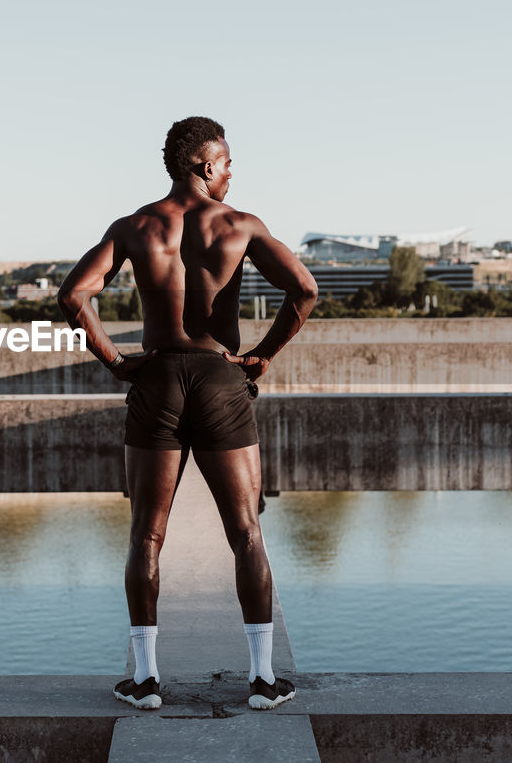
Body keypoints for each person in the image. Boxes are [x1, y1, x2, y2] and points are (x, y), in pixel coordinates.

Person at [56, 116, 318, 711]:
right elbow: (304, 290)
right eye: (226, 162)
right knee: (246, 532)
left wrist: (117, 361)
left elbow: (73, 296)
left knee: (146, 533)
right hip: (221, 378)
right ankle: (261, 681)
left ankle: (145, 682)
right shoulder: (239, 226)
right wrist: (262, 357)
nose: (231, 172)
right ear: (203, 165)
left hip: (157, 380)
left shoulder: (134, 226)